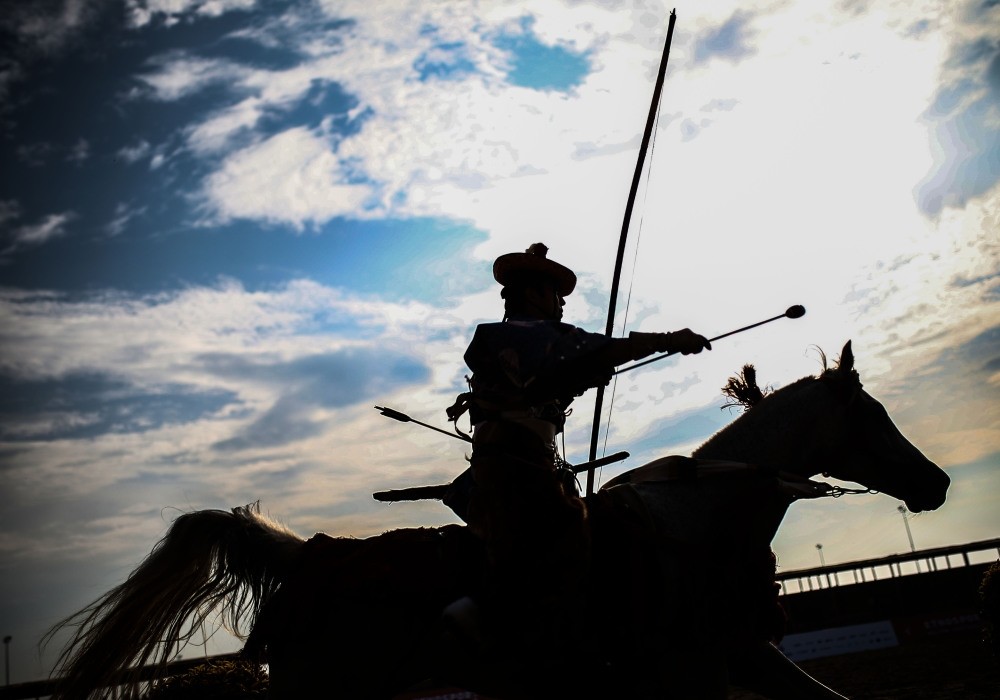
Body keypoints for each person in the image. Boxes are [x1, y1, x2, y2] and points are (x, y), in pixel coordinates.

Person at [444, 243, 711, 681]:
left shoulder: (525, 343)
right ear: (532, 295)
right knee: (565, 533)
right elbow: (588, 350)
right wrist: (668, 341)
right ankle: (491, 624)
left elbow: (562, 372)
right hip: (514, 467)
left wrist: (582, 375)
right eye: (555, 293)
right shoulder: (512, 334)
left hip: (525, 464)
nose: (562, 303)